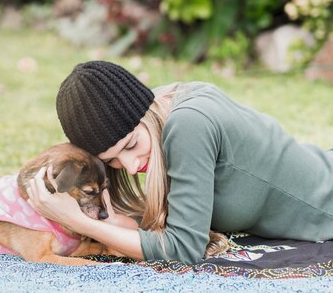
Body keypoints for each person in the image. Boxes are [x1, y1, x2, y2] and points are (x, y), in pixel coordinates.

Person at [27, 61, 333, 264]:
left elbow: (184, 249)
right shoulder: (166, 104)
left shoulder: (188, 125)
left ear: (143, 111)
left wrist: (77, 222)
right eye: (114, 161)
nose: (131, 166)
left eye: (131, 145)